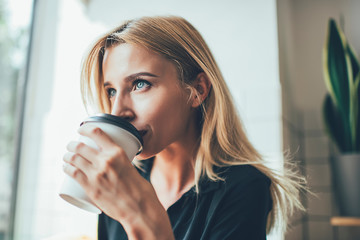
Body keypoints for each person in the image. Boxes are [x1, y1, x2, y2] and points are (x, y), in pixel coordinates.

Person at [63, 16, 305, 240]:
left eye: (140, 84)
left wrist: (139, 215)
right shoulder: (121, 176)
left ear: (198, 90)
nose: (118, 112)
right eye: (111, 91)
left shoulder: (243, 188)